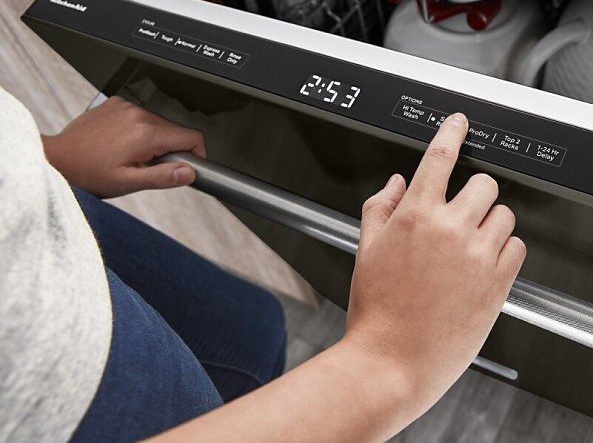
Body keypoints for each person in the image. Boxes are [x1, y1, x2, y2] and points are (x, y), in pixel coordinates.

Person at [0, 86, 525, 442]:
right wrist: (388, 365)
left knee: (253, 333)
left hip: (31, 220)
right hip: (54, 409)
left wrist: (43, 156)